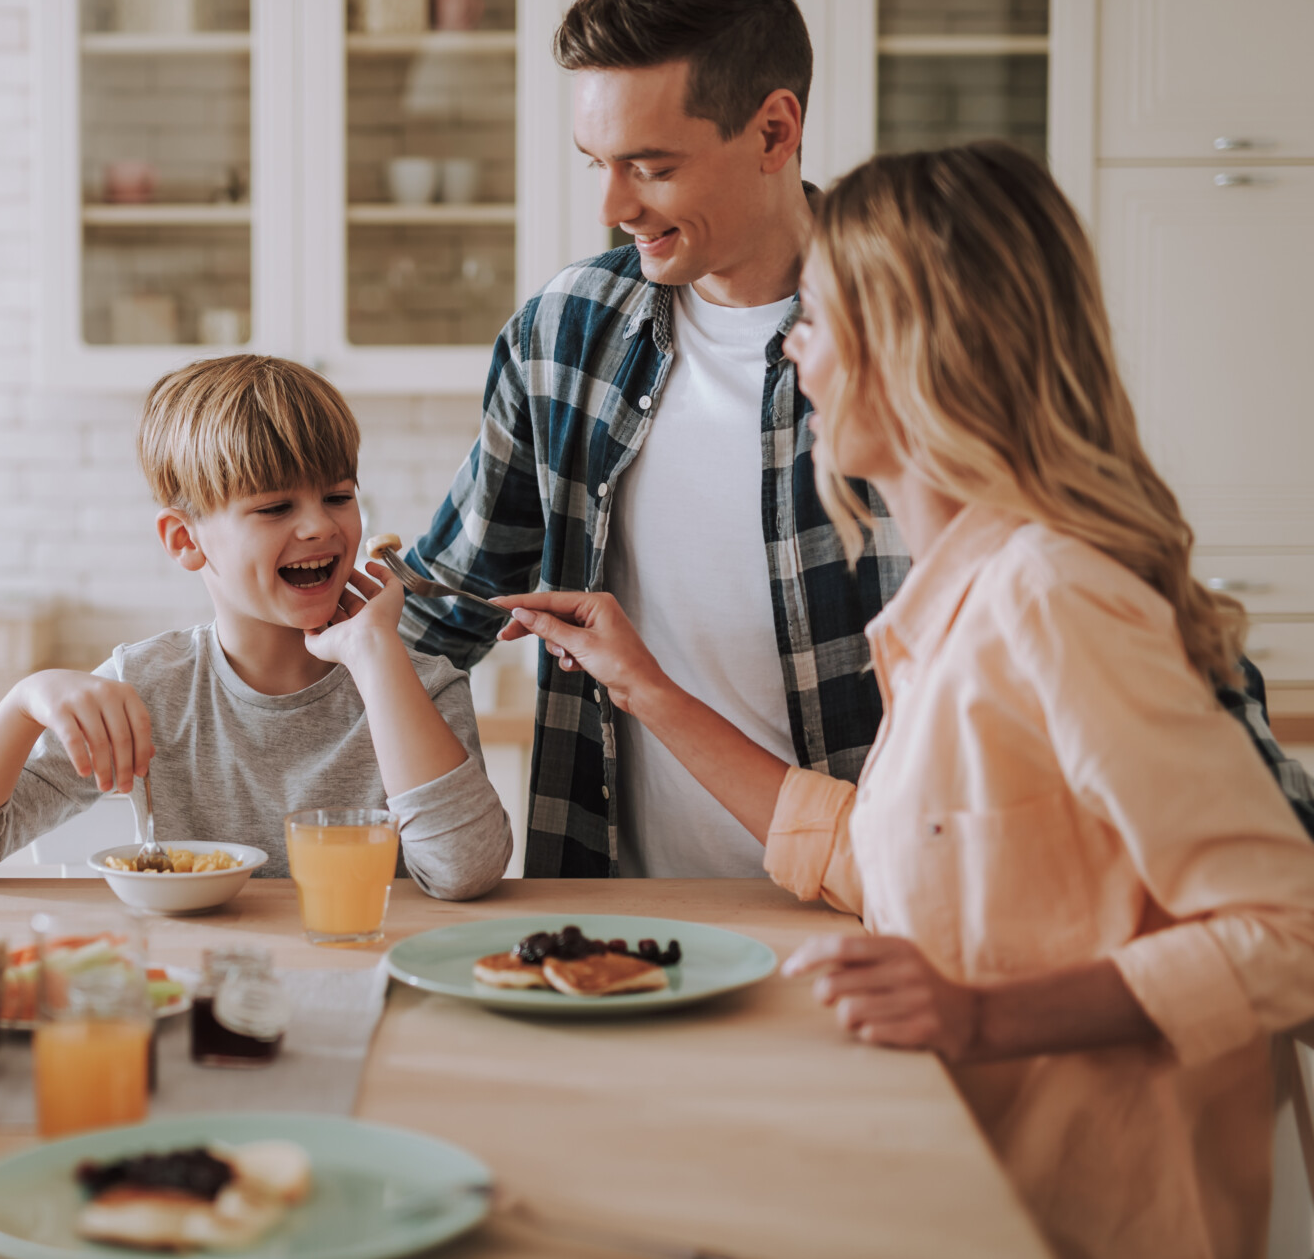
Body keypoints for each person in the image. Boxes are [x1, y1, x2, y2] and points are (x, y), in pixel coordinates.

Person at [498, 143, 1314, 1259]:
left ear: (912, 353)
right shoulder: (955, 603)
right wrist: (645, 688)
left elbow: (1289, 931)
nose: (794, 356)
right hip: (958, 1173)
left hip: (1087, 1214)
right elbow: (884, 860)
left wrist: (979, 1013)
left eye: (817, 323)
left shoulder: (1048, 595)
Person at [400, 0, 1312, 877]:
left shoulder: (911, 335)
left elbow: (1133, 602)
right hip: (634, 930)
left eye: (651, 165)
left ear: (772, 130)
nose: (612, 204)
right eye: (596, 160)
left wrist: (1262, 863)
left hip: (892, 925)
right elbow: (434, 617)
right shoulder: (566, 332)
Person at [0, 354, 511, 899]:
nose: (320, 527)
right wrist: (23, 702)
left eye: (338, 496)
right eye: (275, 507)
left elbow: (464, 872)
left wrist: (376, 655)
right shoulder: (147, 686)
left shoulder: (421, 687)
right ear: (185, 539)